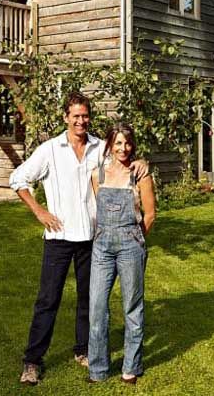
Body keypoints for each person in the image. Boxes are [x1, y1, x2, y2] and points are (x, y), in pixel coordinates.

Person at [9, 92, 146, 386]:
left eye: (85, 116)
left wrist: (142, 162)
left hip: (92, 239)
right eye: (76, 116)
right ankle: (32, 361)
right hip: (58, 237)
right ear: (66, 117)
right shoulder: (50, 150)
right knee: (48, 300)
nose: (81, 121)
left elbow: (125, 157)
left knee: (90, 300)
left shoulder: (100, 147)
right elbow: (18, 179)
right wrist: (39, 211)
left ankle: (84, 350)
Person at [87, 122, 155, 385]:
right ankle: (98, 369)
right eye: (117, 143)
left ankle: (131, 366)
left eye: (127, 143)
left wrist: (135, 240)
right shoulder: (98, 175)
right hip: (102, 245)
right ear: (109, 145)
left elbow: (149, 214)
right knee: (96, 307)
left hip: (130, 246)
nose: (123, 148)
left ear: (132, 145)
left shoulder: (140, 175)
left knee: (132, 306)